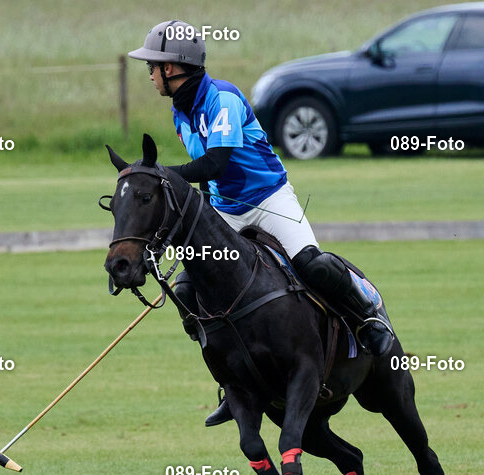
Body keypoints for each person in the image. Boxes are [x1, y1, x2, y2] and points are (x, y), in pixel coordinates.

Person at [128, 20, 393, 426]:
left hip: (269, 198)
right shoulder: (180, 110)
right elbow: (207, 179)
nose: (149, 74)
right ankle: (232, 383)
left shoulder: (222, 99)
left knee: (311, 265)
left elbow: (215, 163)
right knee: (187, 289)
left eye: (153, 66)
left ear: (172, 67)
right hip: (227, 208)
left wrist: (161, 176)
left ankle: (368, 316)